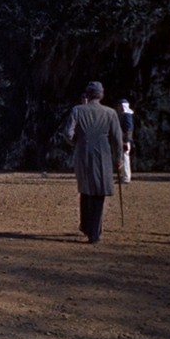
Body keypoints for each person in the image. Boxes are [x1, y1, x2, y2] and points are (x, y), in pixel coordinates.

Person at [65, 81, 123, 244]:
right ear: (101, 95)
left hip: (82, 154)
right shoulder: (110, 113)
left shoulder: (77, 110)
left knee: (85, 189)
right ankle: (94, 233)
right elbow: (117, 139)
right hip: (103, 155)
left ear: (88, 94)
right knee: (99, 192)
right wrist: (118, 159)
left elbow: (68, 134)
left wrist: (77, 143)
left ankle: (86, 225)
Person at [117, 99, 134, 184]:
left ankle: (126, 177)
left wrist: (126, 141)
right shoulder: (124, 115)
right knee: (123, 158)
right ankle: (123, 176)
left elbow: (128, 129)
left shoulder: (127, 115)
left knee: (125, 157)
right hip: (123, 139)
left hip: (125, 140)